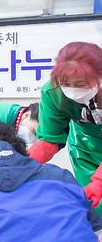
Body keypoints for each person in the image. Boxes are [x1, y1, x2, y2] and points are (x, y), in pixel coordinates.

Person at [29, 42, 102, 212]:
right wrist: (24, 165)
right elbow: (49, 139)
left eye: (81, 84)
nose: (72, 89)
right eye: (66, 83)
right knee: (95, 207)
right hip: (86, 148)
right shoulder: (53, 92)